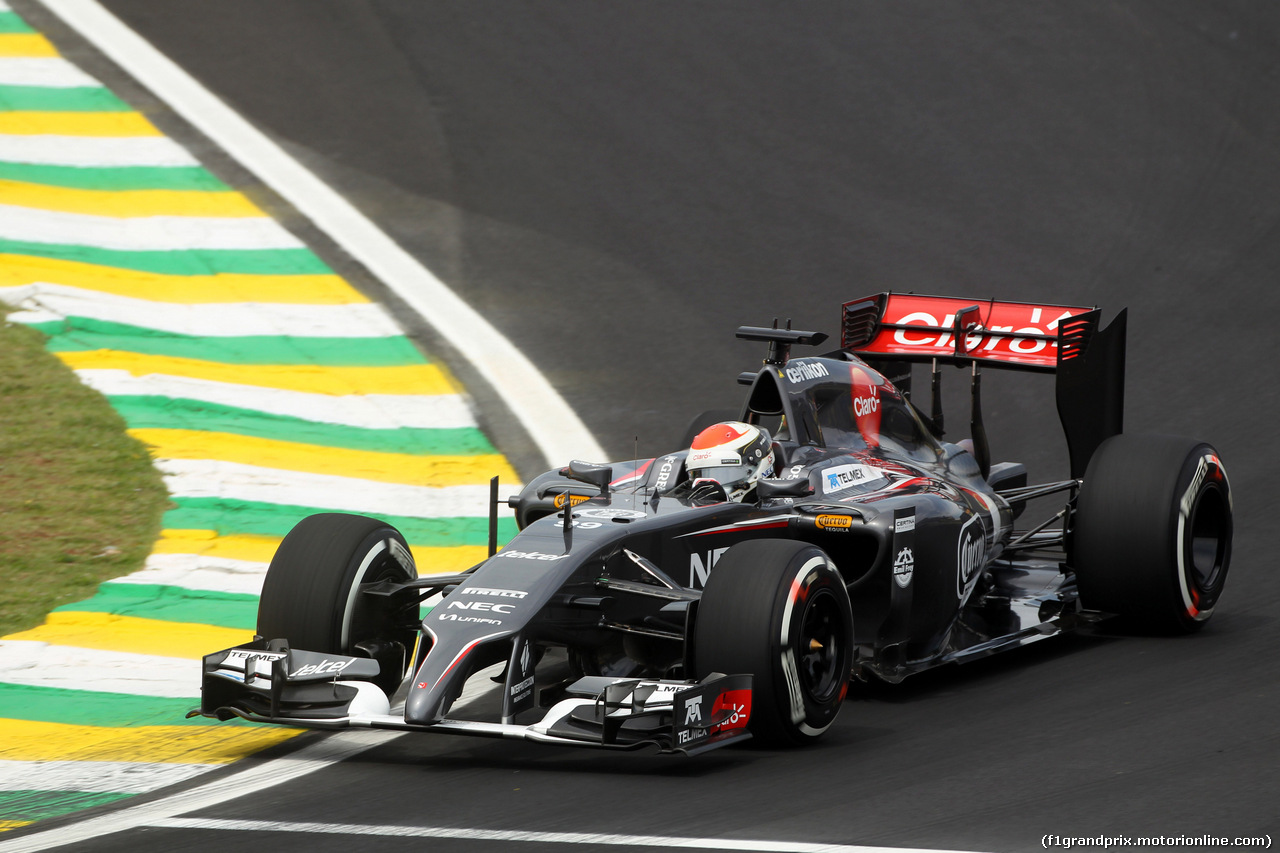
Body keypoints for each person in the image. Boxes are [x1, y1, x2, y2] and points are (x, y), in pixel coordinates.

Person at [684, 421, 775, 503]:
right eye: (699, 475)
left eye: (722, 474)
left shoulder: (783, 505)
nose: (708, 488)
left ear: (754, 465)